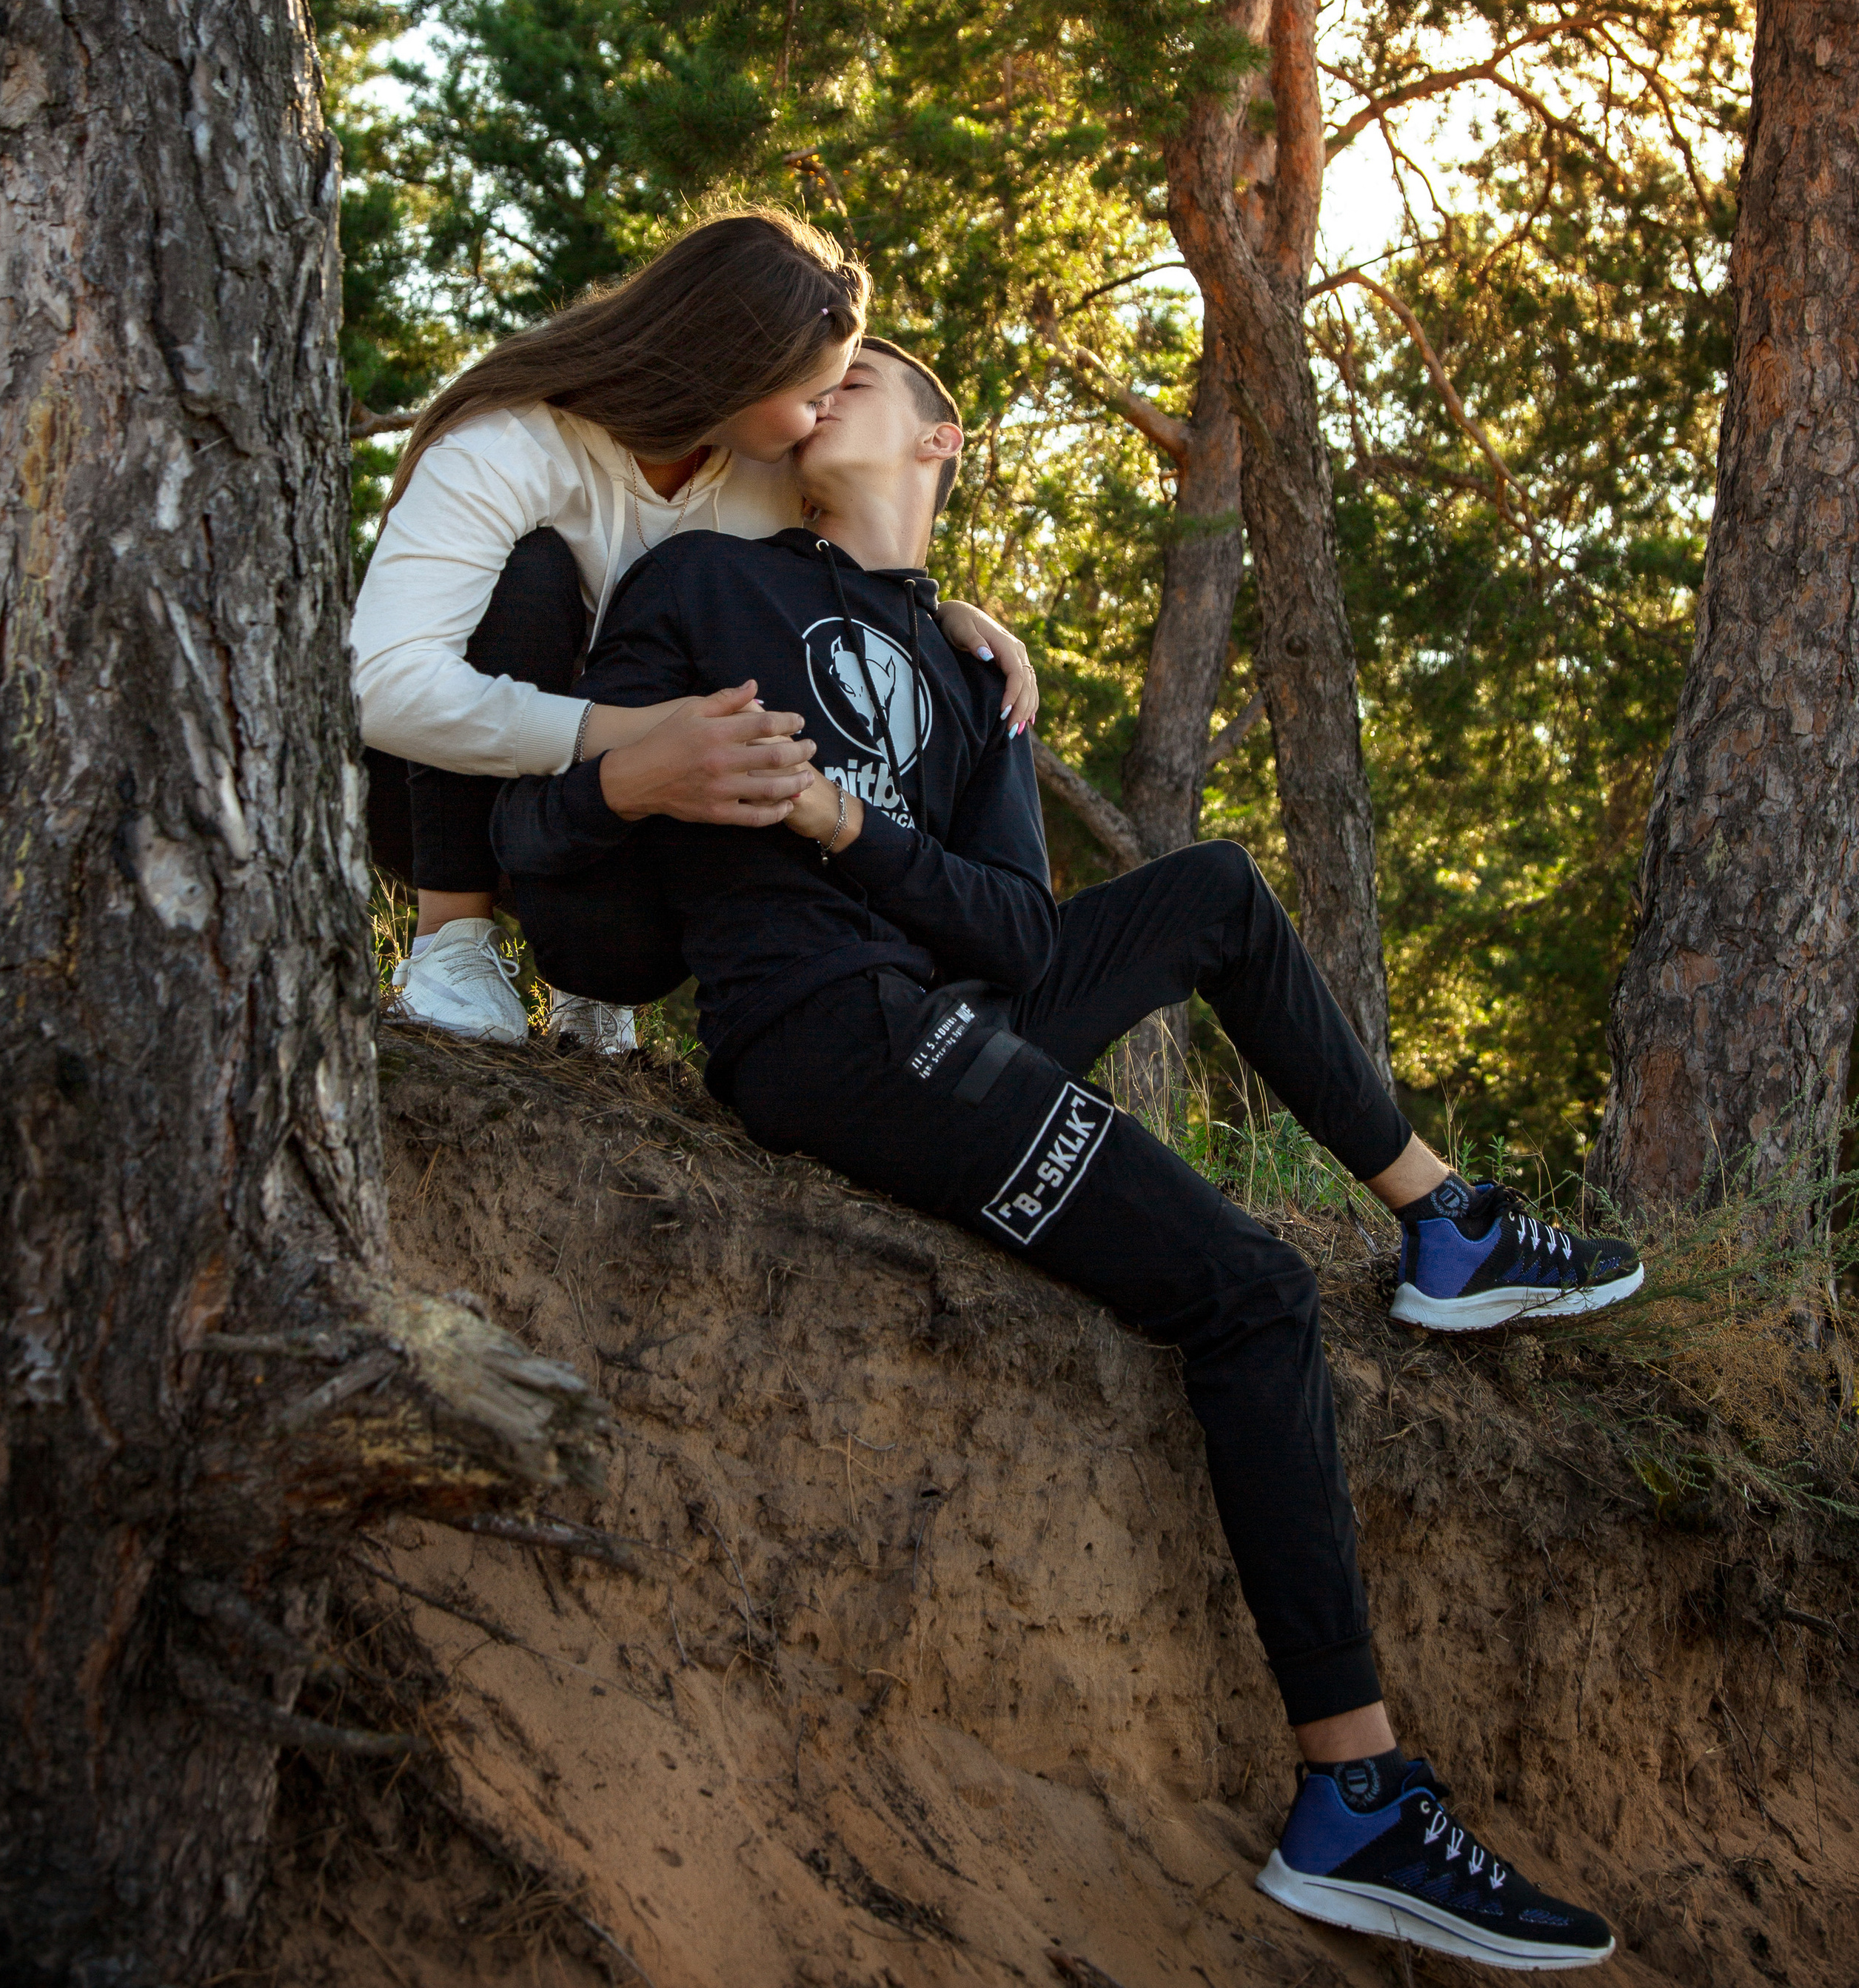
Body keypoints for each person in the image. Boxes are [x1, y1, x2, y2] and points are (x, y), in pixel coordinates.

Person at [491, 337, 1640, 1971]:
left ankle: (1444, 1223)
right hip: (827, 1028)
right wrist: (631, 772)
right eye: (805, 381)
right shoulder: (701, 588)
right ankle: (1354, 1796)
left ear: (940, 443)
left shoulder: (971, 675)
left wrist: (856, 819)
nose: (817, 395)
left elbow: (1021, 935)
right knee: (1247, 1293)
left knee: (1218, 893)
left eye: (859, 378)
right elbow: (547, 843)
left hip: (951, 1005)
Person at [350, 210, 1036, 1045]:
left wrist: (943, 613)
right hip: (431, 790)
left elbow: (857, 562)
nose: (823, 418)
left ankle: (589, 981)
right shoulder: (507, 446)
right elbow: (386, 688)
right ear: (734, 373)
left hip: (612, 827)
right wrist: (637, 733)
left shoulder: (764, 477)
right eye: (815, 395)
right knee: (532, 570)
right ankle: (449, 943)